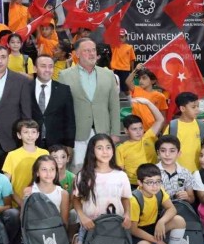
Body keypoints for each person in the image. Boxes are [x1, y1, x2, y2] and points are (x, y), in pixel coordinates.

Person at [58, 38, 121, 171]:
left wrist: (115, 132)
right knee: (78, 169)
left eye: (93, 50)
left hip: (103, 131)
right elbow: (61, 109)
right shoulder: (64, 75)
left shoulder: (108, 74)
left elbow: (114, 105)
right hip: (77, 133)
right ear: (77, 54)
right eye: (86, 51)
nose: (92, 53)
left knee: (103, 168)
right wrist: (65, 136)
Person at [71, 134, 132, 244]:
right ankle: (78, 241)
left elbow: (125, 198)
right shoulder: (83, 175)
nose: (105, 151)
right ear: (92, 151)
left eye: (108, 147)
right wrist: (82, 217)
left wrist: (127, 214)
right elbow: (76, 199)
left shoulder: (121, 175)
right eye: (100, 148)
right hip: (90, 225)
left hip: (114, 226)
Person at [130, 164, 193, 244]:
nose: (155, 186)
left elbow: (172, 209)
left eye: (158, 181)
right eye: (149, 182)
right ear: (140, 183)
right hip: (137, 232)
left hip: (153, 226)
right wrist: (157, 241)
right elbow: (133, 230)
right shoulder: (134, 199)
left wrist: (161, 222)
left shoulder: (159, 191)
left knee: (179, 220)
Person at [21, 155, 70, 244]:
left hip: (54, 240)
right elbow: (23, 221)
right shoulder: (29, 191)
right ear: (37, 172)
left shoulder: (63, 193)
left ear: (56, 171)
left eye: (52, 169)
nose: (49, 173)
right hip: (35, 240)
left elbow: (64, 223)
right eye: (44, 169)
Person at [30, 54, 75, 150]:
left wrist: (69, 145)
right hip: (31, 143)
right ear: (35, 68)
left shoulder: (64, 90)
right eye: (43, 66)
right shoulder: (25, 88)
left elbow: (69, 119)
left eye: (50, 66)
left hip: (57, 144)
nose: (47, 70)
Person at [116, 98, 165, 186]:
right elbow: (120, 172)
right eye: (134, 129)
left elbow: (160, 119)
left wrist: (147, 102)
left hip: (154, 181)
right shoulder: (121, 148)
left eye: (140, 128)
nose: (138, 132)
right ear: (126, 131)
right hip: (133, 185)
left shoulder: (149, 137)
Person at [162, 92, 204, 172]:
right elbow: (165, 147)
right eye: (193, 107)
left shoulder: (201, 125)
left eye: (198, 106)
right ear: (182, 109)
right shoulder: (173, 126)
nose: (197, 109)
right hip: (177, 171)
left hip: (197, 171)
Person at [125, 64, 168, 131]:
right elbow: (128, 82)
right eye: (139, 78)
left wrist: (163, 131)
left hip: (152, 130)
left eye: (144, 78)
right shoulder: (136, 89)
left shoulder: (160, 96)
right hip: (136, 129)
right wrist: (136, 70)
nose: (140, 81)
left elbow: (163, 116)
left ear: (153, 81)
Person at [155, 135, 195, 203]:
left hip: (180, 207)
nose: (167, 154)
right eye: (163, 151)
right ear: (158, 153)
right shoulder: (151, 172)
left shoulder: (185, 173)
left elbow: (192, 199)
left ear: (179, 153)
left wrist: (187, 197)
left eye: (172, 151)